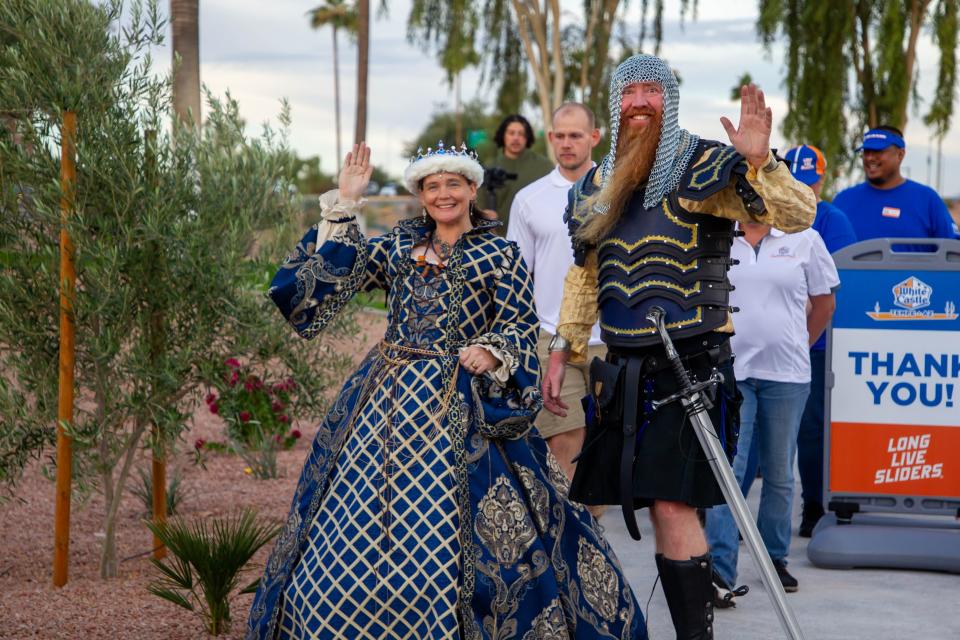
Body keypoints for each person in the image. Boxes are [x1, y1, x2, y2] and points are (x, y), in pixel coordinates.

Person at [246, 141, 645, 639]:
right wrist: (346, 203)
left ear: (472, 188)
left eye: (453, 184)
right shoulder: (396, 247)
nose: (443, 194)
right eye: (432, 186)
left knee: (470, 533)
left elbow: (520, 326)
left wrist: (493, 348)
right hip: (384, 402)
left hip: (465, 405)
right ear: (420, 194)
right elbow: (334, 280)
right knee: (353, 525)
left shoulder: (500, 254)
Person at [543, 53, 816, 639]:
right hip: (620, 367)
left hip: (689, 363)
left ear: (670, 98)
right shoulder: (595, 185)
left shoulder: (707, 165)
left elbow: (798, 215)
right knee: (643, 503)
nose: (640, 101)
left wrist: (760, 161)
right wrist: (562, 347)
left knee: (674, 503)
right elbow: (586, 277)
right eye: (629, 92)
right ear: (616, 104)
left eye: (652, 90)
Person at [704, 217, 839, 599]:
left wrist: (798, 341)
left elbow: (825, 302)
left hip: (788, 374)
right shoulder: (718, 233)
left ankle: (773, 560)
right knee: (730, 470)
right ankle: (720, 571)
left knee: (780, 473)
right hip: (733, 371)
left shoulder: (805, 239)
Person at [507, 103, 604, 492]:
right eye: (559, 136)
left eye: (575, 135)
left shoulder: (619, 192)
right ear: (550, 139)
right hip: (550, 337)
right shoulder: (530, 199)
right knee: (563, 444)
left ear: (594, 138)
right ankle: (569, 543)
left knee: (602, 451)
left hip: (610, 339)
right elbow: (516, 277)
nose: (566, 143)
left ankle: (591, 540)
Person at [782, 145, 857, 537]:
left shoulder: (832, 219)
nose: (802, 191)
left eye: (808, 184)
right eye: (795, 182)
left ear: (820, 181)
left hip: (816, 345)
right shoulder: (769, 213)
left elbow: (831, 289)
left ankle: (813, 504)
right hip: (774, 343)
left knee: (811, 430)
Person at [832, 126, 958, 244]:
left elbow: (952, 250)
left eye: (878, 151)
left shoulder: (927, 199)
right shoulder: (843, 200)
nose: (870, 158)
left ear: (900, 154)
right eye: (866, 152)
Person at [486, 114, 552, 234]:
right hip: (497, 239)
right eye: (511, 133)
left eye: (521, 134)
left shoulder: (545, 167)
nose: (516, 138)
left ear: (527, 137)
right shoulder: (489, 168)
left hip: (536, 236)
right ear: (503, 136)